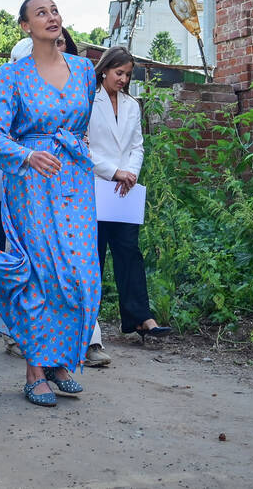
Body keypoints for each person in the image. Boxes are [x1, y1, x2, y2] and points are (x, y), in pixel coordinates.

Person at [0, 0, 100, 408]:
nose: (51, 17)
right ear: (25, 26)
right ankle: (36, 370)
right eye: (41, 13)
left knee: (80, 276)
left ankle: (61, 359)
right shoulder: (11, 76)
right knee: (39, 274)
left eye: (54, 10)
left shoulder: (85, 70)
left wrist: (77, 146)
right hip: (30, 183)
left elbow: (81, 125)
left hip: (74, 183)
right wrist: (27, 154)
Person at [89, 45, 170, 361]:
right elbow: (81, 147)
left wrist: (131, 174)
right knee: (92, 257)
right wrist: (113, 171)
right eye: (118, 72)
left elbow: (137, 146)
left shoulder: (133, 105)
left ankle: (140, 318)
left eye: (127, 74)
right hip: (94, 188)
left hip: (124, 193)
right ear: (105, 70)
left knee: (129, 252)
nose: (122, 79)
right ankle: (88, 327)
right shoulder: (86, 102)